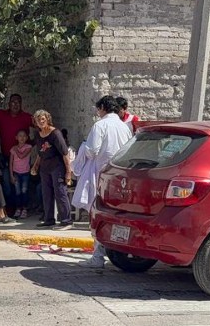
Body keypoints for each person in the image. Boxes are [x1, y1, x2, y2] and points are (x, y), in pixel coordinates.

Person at [78, 95, 134, 269]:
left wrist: (83, 148)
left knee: (97, 215)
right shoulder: (124, 127)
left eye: (98, 108)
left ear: (102, 107)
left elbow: (92, 150)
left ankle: (98, 256)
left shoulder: (100, 125)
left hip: (101, 175)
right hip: (121, 177)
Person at [31, 109, 73, 231]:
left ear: (47, 119)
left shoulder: (55, 133)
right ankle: (49, 220)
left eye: (43, 119)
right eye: (38, 120)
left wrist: (68, 172)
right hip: (45, 167)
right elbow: (40, 152)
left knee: (60, 193)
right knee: (46, 194)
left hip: (57, 166)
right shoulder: (37, 134)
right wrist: (35, 166)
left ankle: (66, 221)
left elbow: (65, 153)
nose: (40, 121)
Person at [0, 94, 33, 204]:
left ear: (21, 104)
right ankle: (10, 207)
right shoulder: (2, 115)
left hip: (22, 159)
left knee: (22, 185)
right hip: (7, 157)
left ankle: (22, 207)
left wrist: (33, 143)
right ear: (9, 104)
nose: (15, 104)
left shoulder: (26, 117)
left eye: (18, 102)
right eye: (13, 101)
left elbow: (40, 126)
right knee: (8, 183)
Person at [10, 129, 32, 218]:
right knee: (17, 192)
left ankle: (25, 209)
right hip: (16, 172)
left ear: (27, 138)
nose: (22, 138)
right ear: (16, 138)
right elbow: (11, 162)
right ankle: (18, 209)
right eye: (20, 136)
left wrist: (16, 149)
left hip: (25, 173)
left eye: (24, 136)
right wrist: (11, 175)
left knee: (24, 191)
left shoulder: (28, 147)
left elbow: (22, 156)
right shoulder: (13, 149)